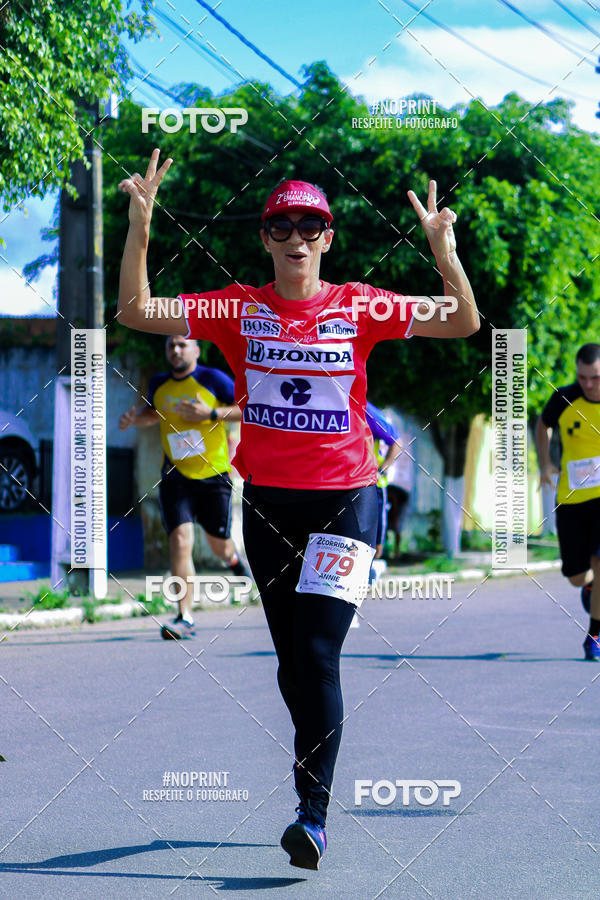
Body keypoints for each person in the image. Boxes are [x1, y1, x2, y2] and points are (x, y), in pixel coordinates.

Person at [116, 148, 479, 870]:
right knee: (291, 664)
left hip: (349, 501)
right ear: (266, 237)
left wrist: (444, 251)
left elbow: (464, 321)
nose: (296, 238)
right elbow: (134, 310)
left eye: (310, 226)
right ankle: (311, 778)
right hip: (271, 509)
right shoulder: (237, 307)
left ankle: (311, 817)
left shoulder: (362, 305)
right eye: (281, 225)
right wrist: (141, 224)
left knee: (317, 654)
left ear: (328, 237)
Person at [118, 335, 248, 639]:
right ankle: (184, 616)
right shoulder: (159, 383)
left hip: (213, 475)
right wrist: (134, 419)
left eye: (181, 345)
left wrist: (211, 414)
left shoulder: (213, 379)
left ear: (196, 350)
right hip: (175, 476)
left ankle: (232, 559)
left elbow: (247, 409)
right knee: (180, 541)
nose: (175, 350)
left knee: (219, 545)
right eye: (170, 346)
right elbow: (153, 414)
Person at [536, 343, 600, 662]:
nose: (588, 384)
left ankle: (595, 635)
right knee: (577, 576)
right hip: (572, 500)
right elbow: (542, 425)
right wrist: (545, 463)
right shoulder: (564, 397)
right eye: (583, 377)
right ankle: (590, 588)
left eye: (596, 377)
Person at [365, 401, 404, 560]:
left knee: (374, 548)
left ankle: (370, 578)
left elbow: (397, 442)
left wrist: (382, 470)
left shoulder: (365, 409)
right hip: (343, 486)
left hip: (373, 487)